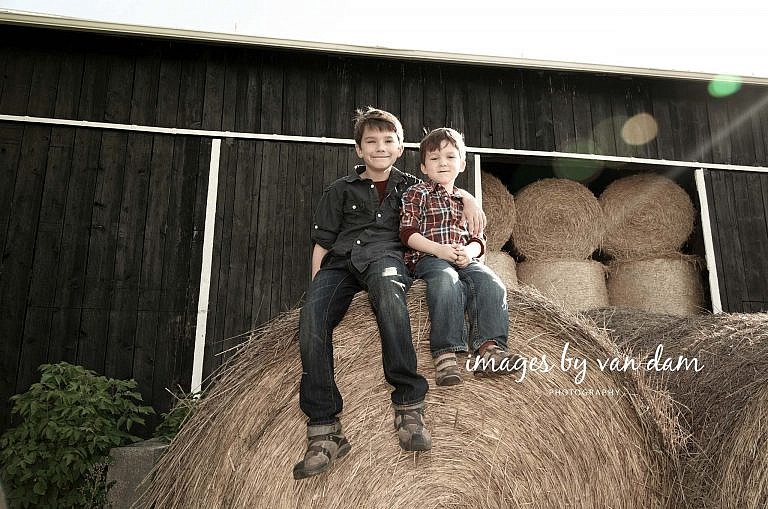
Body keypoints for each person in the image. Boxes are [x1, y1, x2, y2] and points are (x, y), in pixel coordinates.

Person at [293, 108, 486, 480]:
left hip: (386, 258)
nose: (380, 148)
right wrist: (317, 284)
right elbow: (322, 243)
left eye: (388, 141)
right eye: (371, 142)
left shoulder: (411, 187)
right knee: (312, 321)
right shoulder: (339, 189)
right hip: (341, 264)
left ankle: (409, 404)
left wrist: (469, 198)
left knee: (390, 298)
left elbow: (443, 184)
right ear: (358, 150)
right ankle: (324, 428)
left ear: (400, 149)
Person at [400, 127, 514, 386]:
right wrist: (439, 250)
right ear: (423, 167)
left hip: (464, 258)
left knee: (492, 283)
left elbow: (478, 239)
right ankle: (446, 353)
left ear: (462, 164)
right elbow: (407, 233)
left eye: (450, 157)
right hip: (430, 257)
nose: (443, 163)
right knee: (446, 281)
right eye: (435, 158)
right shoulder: (417, 194)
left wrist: (469, 252)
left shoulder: (465, 202)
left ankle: (489, 349)